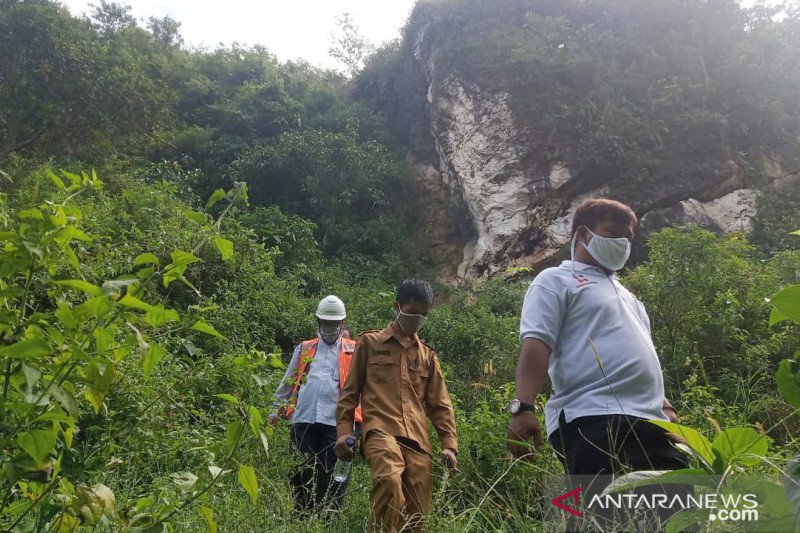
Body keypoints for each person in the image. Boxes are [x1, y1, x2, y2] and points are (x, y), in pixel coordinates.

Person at [506, 198, 687, 528]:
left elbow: (645, 356)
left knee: (680, 517)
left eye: (627, 237)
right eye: (613, 232)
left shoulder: (630, 298)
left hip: (653, 425)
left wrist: (670, 415)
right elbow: (537, 344)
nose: (622, 243)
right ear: (583, 234)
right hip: (592, 420)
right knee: (601, 521)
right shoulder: (555, 280)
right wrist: (523, 407)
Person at [335, 278, 458, 532]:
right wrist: (344, 432)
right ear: (397, 306)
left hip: (418, 440)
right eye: (412, 313)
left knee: (417, 515)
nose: (417, 320)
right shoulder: (369, 344)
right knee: (389, 481)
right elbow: (349, 393)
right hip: (380, 431)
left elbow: (440, 405)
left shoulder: (428, 356)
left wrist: (449, 445)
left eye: (423, 315)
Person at [269, 295, 362, 516]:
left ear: (342, 323)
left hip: (338, 424)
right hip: (304, 419)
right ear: (319, 322)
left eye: (334, 323)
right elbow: (288, 381)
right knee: (300, 472)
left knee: (331, 474)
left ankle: (328, 517)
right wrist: (275, 409)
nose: (330, 327)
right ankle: (301, 514)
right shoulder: (304, 349)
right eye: (326, 323)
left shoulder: (354, 350)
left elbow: (365, 387)